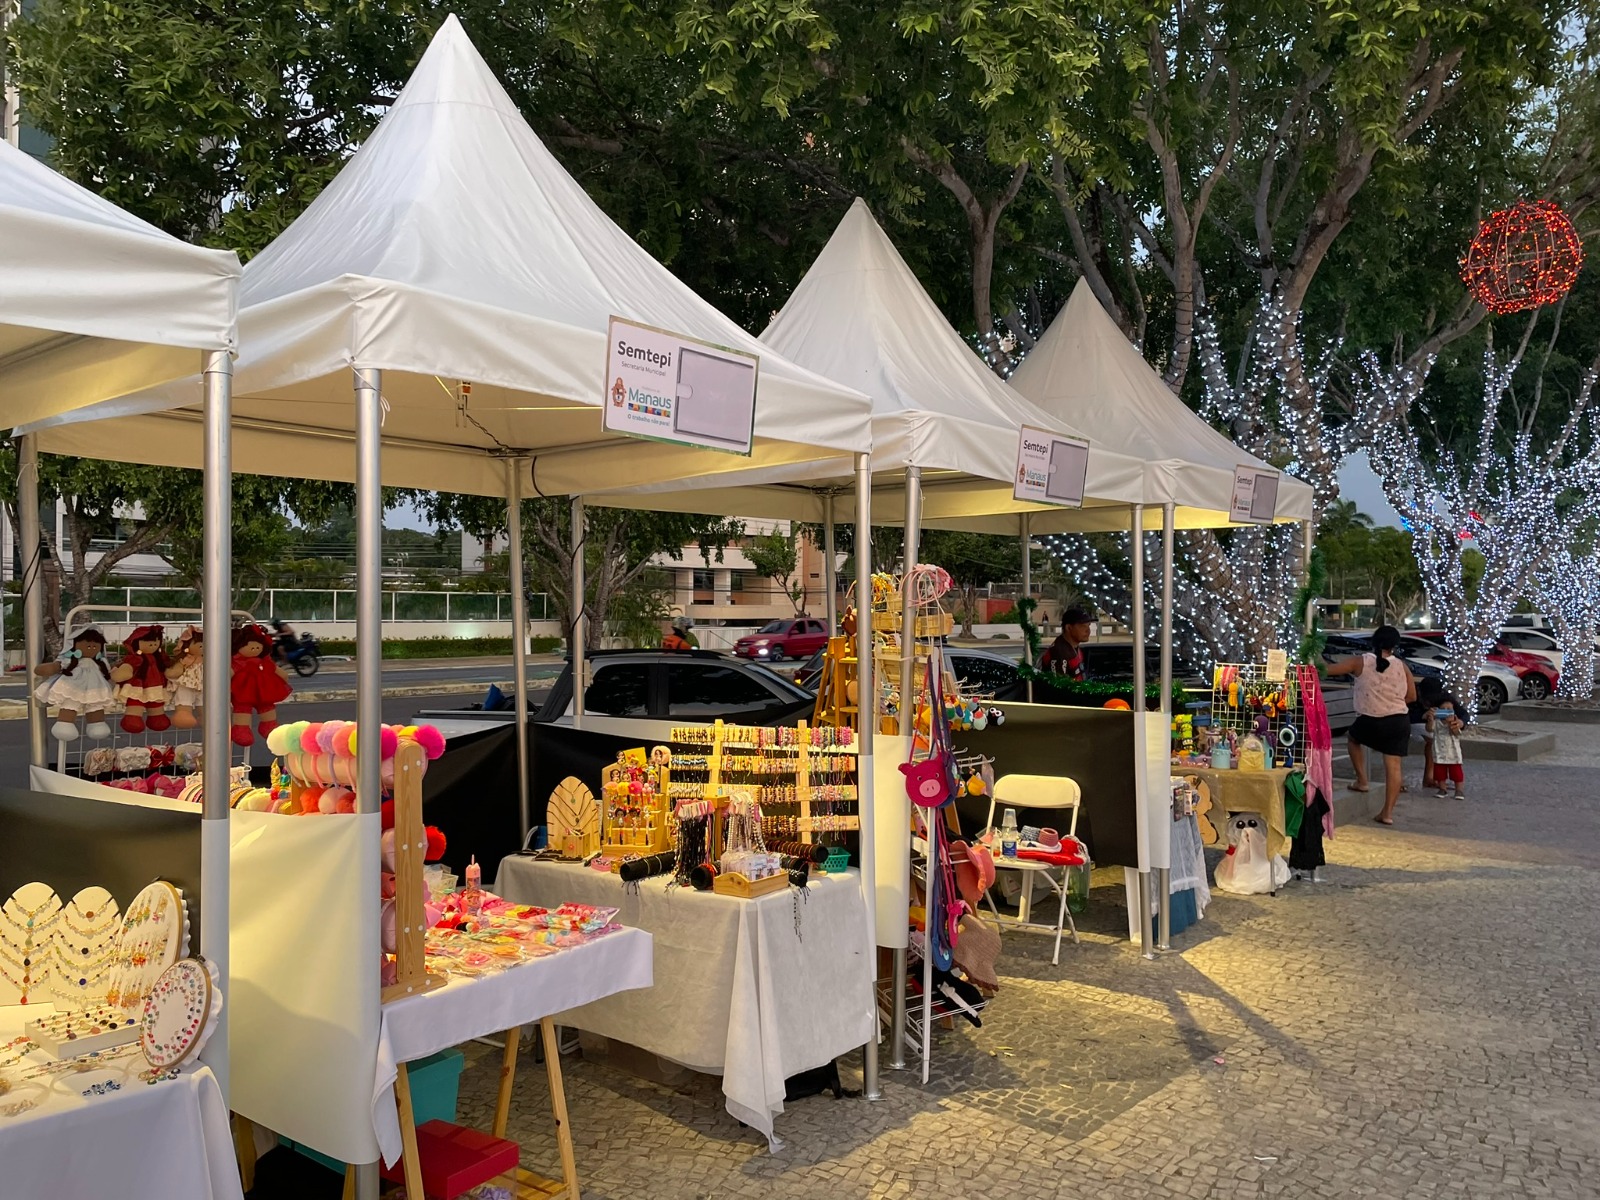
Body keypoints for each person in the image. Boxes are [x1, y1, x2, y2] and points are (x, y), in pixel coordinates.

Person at [1324, 624, 1416, 825]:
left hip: (1370, 719)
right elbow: (1411, 696)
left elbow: (1328, 670)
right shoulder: (1402, 666)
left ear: (1373, 641)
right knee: (1394, 767)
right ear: (1395, 645)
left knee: (1354, 739)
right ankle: (1387, 813)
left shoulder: (1361, 662)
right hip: (1399, 720)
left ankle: (1362, 780)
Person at [1409, 676, 1447, 791]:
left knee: (1434, 740)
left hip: (1428, 726)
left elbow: (1462, 713)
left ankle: (1430, 777)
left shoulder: (1443, 697)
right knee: (1432, 740)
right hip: (1410, 723)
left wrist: (1444, 714)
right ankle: (1430, 776)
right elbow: (1403, 714)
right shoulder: (1412, 694)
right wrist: (1422, 715)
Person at [1428, 693, 1466, 799]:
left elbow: (1456, 733)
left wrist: (1451, 723)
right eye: (1443, 709)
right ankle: (1442, 788)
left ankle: (1459, 790)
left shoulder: (1455, 722)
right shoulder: (1436, 722)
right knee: (1440, 771)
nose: (1445, 711)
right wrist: (1430, 718)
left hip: (1453, 752)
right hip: (1439, 750)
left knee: (1456, 772)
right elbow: (1430, 729)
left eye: (1449, 709)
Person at [1040, 606, 1092, 680]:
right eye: (1082, 626)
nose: (1088, 630)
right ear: (1068, 628)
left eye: (1088, 626)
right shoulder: (1059, 653)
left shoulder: (1073, 647)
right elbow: (1059, 688)